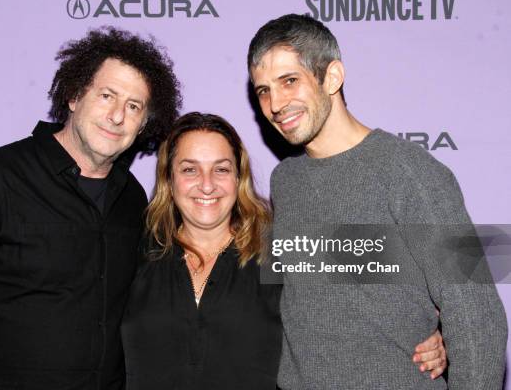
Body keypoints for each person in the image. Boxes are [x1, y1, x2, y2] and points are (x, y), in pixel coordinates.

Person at [0, 27, 182, 389]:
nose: (117, 116)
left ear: (144, 123)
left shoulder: (131, 198)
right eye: (107, 95)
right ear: (74, 96)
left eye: (133, 106)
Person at [247, 14, 507, 389]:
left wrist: (442, 331)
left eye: (290, 81)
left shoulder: (412, 172)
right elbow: (318, 297)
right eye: (263, 90)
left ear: (332, 77)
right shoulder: (285, 180)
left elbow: (477, 316)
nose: (275, 104)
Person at [120, 112, 448, 390]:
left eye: (221, 169)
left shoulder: (277, 248)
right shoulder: (136, 250)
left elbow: (431, 259)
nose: (207, 184)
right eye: (189, 169)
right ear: (169, 178)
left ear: (239, 177)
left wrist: (427, 330)